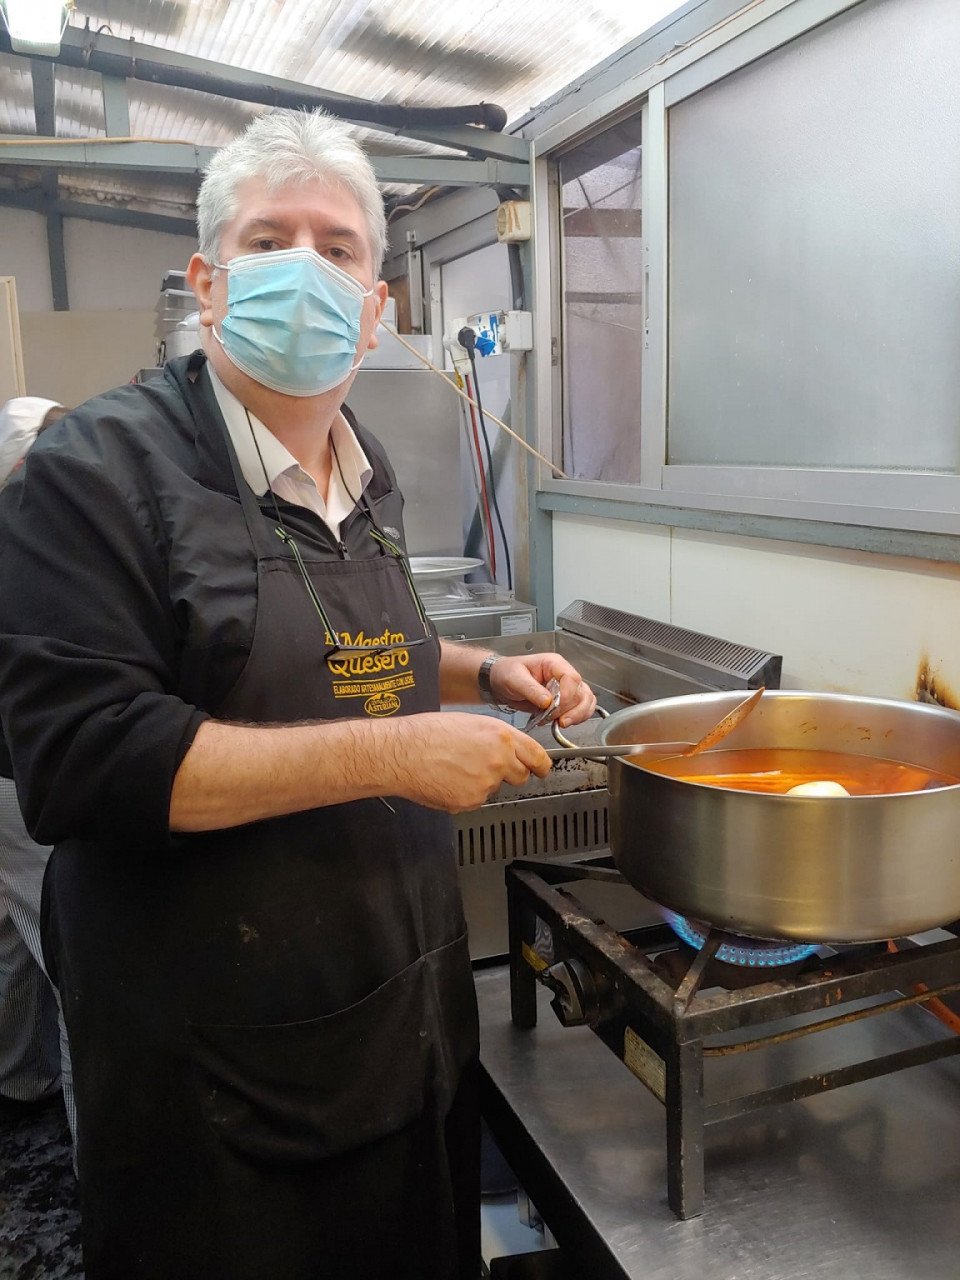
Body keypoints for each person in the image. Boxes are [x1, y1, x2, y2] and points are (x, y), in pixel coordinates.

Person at [0, 109, 596, 1280]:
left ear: (379, 306)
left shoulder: (362, 470)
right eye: (273, 239)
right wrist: (393, 757)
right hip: (211, 1066)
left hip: (394, 1013)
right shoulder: (93, 474)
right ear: (209, 285)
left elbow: (356, 651)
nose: (308, 272)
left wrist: (484, 671)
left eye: (340, 248)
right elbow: (82, 757)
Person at [0, 397, 76, 1148]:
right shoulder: (37, 532)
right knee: (76, 970)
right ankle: (104, 1175)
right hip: (19, 783)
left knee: (12, 942)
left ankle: (19, 1079)